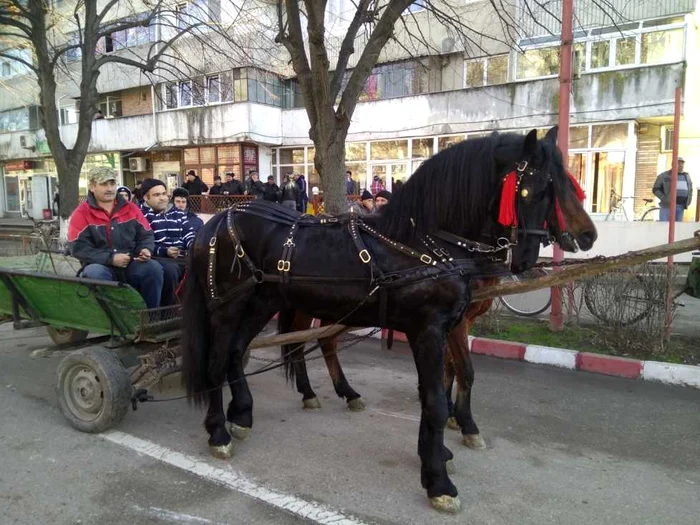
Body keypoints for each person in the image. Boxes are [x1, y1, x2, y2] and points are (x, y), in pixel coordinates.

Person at [67, 167, 163, 309]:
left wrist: (146, 249)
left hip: (130, 263)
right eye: (104, 184)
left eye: (112, 184)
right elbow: (78, 248)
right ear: (92, 187)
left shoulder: (131, 208)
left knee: (153, 269)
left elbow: (146, 234)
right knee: (95, 273)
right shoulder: (81, 213)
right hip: (100, 266)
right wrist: (111, 258)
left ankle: (150, 318)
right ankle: (118, 320)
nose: (110, 188)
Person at [140, 178, 195, 306]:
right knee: (170, 271)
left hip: (183, 256)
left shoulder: (177, 213)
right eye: (157, 195)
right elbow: (144, 243)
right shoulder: (142, 215)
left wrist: (193, 246)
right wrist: (165, 251)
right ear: (146, 198)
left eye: (164, 194)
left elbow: (189, 233)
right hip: (158, 257)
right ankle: (168, 311)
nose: (162, 198)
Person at [653, 157, 693, 222]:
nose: (680, 165)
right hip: (667, 206)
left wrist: (688, 201)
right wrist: (664, 198)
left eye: (682, 164)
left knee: (677, 228)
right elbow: (655, 189)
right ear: (673, 164)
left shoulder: (686, 176)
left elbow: (690, 189)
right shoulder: (664, 175)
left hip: (681, 206)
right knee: (664, 226)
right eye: (678, 163)